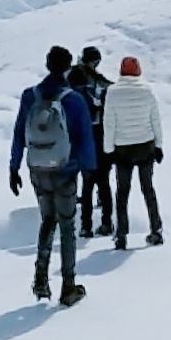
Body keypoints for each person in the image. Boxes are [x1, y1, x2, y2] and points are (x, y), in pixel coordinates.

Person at [10, 46, 97, 305]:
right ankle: (68, 286)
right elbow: (84, 139)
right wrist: (89, 170)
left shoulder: (30, 96)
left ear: (47, 64)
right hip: (65, 170)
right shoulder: (73, 99)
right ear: (68, 66)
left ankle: (40, 279)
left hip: (37, 169)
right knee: (68, 226)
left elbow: (18, 133)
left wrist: (14, 167)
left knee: (47, 220)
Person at [104, 55, 165, 250]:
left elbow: (109, 123)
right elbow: (155, 119)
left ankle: (121, 236)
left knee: (122, 193)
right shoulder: (147, 90)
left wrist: (108, 150)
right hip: (145, 146)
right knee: (148, 190)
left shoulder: (112, 92)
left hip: (122, 149)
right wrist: (159, 145)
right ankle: (156, 230)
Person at [75, 46, 114, 238]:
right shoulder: (87, 79)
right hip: (98, 134)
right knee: (102, 182)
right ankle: (106, 223)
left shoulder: (78, 76)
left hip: (85, 136)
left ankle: (86, 226)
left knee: (88, 182)